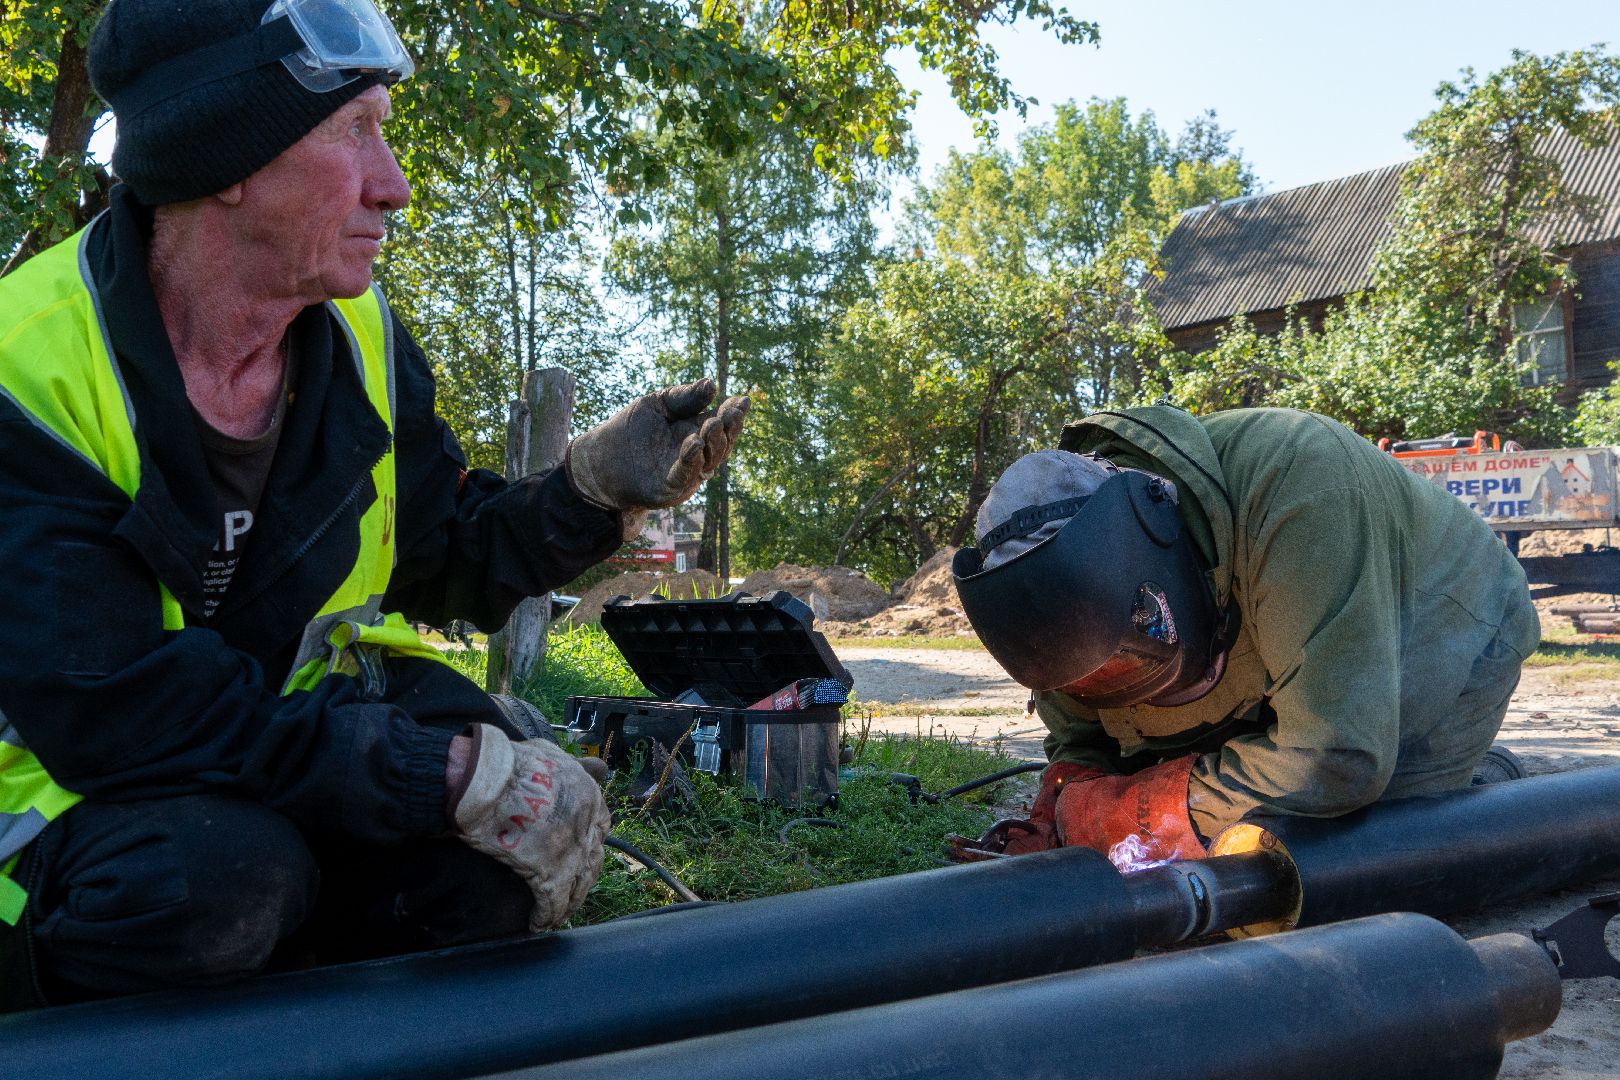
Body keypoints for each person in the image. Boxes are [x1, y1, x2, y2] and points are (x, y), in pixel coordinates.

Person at [0, 0, 747, 1009]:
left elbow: (437, 553)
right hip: (69, 820)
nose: (392, 185)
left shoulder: (358, 334)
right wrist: (430, 772)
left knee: (479, 872)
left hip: (263, 770)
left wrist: (586, 494)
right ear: (228, 159)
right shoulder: (25, 367)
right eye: (354, 131)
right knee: (216, 882)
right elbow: (119, 708)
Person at [949, 404, 1538, 869]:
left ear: (1159, 540)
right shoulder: (1050, 604)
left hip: (1441, 630)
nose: (1115, 682)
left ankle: (1491, 782)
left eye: (1128, 655)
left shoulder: (1299, 481)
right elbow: (1083, 738)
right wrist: (1072, 789)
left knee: (1359, 855)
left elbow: (1335, 756)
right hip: (1268, 657)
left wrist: (1135, 809)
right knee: (1213, 840)